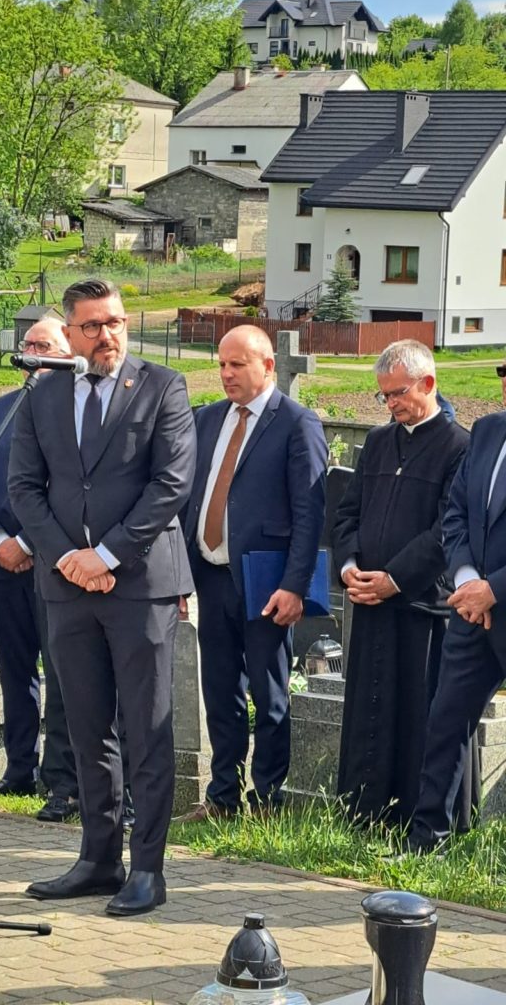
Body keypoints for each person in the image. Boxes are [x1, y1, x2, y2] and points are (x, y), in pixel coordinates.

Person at [8, 278, 196, 916]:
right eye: (92, 326)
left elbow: (171, 484)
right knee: (86, 727)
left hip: (139, 586)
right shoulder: (42, 394)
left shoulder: (163, 387)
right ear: (69, 332)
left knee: (145, 728)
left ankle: (147, 869)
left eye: (115, 322)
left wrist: (106, 555)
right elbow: (24, 487)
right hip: (67, 588)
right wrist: (68, 558)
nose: (107, 335)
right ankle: (97, 858)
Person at [179, 325, 327, 820]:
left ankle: (267, 799)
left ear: (267, 365)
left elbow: (309, 514)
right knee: (220, 691)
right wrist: (180, 576)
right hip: (211, 575)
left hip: (267, 581)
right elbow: (188, 499)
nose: (226, 374)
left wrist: (294, 586)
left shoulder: (297, 423)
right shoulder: (207, 419)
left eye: (237, 364)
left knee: (269, 693)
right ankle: (222, 796)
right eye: (221, 364)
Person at [332, 340, 473, 828]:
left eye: (398, 393)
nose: (390, 403)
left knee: (419, 717)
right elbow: (347, 513)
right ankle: (364, 814)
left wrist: (395, 579)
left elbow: (448, 529)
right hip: (371, 602)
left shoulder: (459, 447)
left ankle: (416, 820)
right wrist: (349, 565)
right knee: (369, 715)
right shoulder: (377, 442)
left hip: (422, 608)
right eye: (384, 395)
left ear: (428, 383)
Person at [0, 315, 79, 821]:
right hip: (3, 563)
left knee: (61, 673)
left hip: (54, 564)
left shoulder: (76, 411)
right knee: (15, 670)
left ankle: (61, 780)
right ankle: (18, 768)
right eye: (28, 343)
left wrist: (30, 543)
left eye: (45, 344)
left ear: (67, 352)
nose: (32, 352)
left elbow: (68, 492)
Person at [405, 358, 506, 852]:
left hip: (495, 597)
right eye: (504, 376)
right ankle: (428, 840)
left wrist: (495, 588)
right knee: (446, 721)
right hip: (471, 610)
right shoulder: (487, 432)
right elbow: (457, 512)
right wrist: (467, 580)